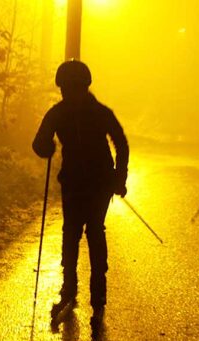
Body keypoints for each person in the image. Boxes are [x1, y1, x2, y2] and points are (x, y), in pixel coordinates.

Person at [33, 60, 129, 315]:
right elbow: (38, 143)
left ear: (84, 87)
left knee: (89, 230)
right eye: (67, 88)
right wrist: (46, 147)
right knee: (76, 232)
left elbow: (121, 143)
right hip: (78, 181)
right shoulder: (73, 112)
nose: (70, 93)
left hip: (97, 182)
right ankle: (73, 289)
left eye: (73, 87)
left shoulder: (91, 112)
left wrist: (119, 178)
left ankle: (94, 291)